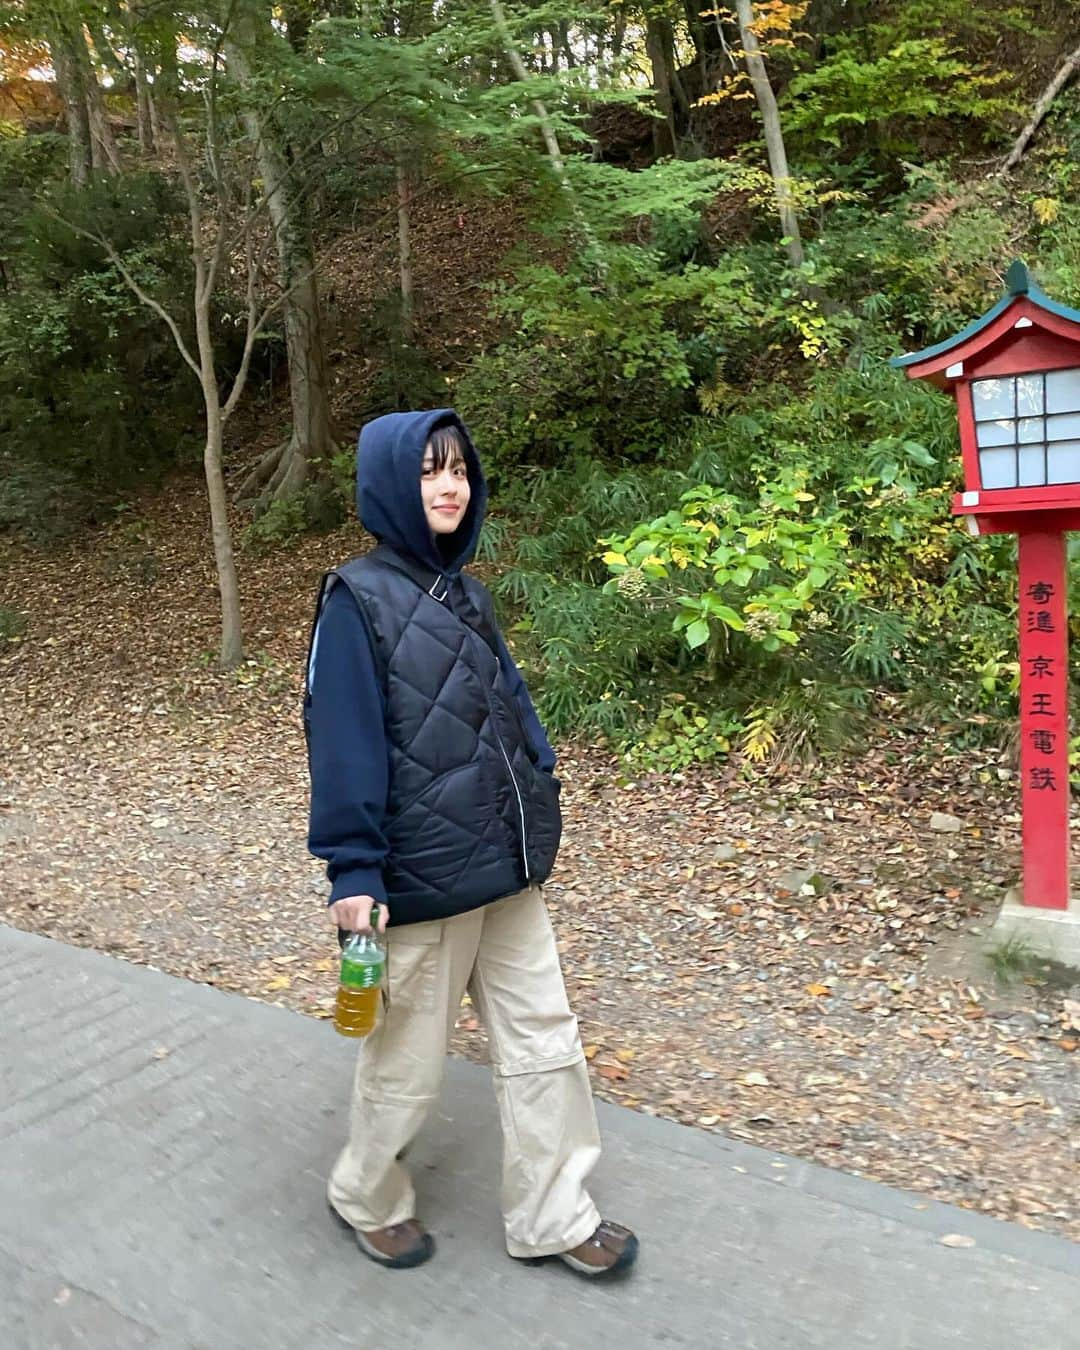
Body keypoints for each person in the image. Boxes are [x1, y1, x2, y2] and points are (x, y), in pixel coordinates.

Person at [305, 408, 638, 1277]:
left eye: (457, 469)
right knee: (408, 1058)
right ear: (389, 485)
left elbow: (513, 709)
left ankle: (553, 1214)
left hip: (509, 866)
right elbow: (344, 744)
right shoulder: (355, 602)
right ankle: (367, 1193)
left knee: (545, 1040)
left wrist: (544, 782)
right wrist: (354, 867)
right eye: (427, 471)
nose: (449, 485)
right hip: (419, 874)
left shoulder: (468, 594)